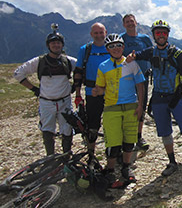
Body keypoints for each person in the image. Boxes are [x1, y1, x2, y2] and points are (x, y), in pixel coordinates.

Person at [126, 20, 182, 178]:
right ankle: (172, 162)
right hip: (158, 98)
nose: (161, 35)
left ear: (167, 35)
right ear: (154, 35)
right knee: (165, 133)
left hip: (175, 96)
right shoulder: (150, 52)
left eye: (163, 33)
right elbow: (136, 56)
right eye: (158, 33)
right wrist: (131, 56)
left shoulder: (177, 54)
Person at [14, 24, 76, 156]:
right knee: (48, 130)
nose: (56, 45)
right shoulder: (39, 61)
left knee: (67, 129)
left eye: (58, 43)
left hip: (64, 101)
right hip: (46, 102)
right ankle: (50, 158)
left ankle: (67, 156)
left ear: (62, 45)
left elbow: (83, 69)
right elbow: (18, 73)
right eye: (53, 43)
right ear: (48, 45)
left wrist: (76, 84)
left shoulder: (68, 61)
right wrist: (34, 89)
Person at [92, 33, 145, 184]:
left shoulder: (131, 63)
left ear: (123, 47)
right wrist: (97, 91)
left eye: (118, 45)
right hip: (111, 108)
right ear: (107, 49)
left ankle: (126, 167)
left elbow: (140, 85)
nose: (116, 48)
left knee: (129, 140)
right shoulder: (103, 67)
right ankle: (110, 170)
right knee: (113, 143)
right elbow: (101, 88)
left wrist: (141, 105)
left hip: (131, 106)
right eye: (111, 46)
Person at [73, 22, 109, 154]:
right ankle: (91, 153)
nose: (99, 35)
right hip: (91, 91)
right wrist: (78, 94)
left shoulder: (112, 47)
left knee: (112, 122)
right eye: (96, 33)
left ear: (106, 32)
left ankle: (113, 152)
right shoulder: (85, 49)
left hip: (111, 91)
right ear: (91, 34)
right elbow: (78, 72)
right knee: (92, 125)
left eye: (101, 32)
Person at [121, 14, 153, 151]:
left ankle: (138, 136)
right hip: (126, 78)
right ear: (124, 24)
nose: (130, 24)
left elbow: (152, 53)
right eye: (127, 22)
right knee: (127, 105)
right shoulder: (121, 38)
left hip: (143, 77)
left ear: (136, 23)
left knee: (141, 104)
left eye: (131, 21)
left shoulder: (144, 39)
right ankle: (126, 137)